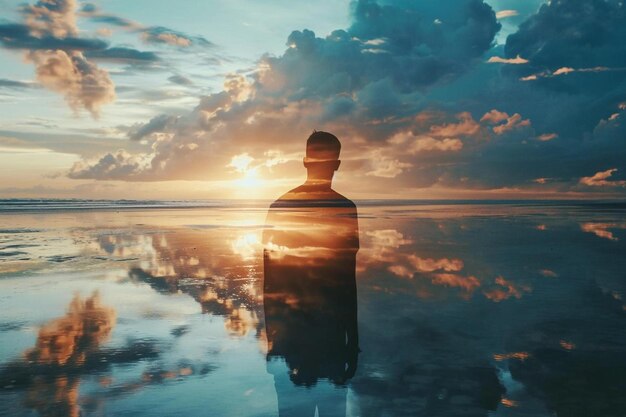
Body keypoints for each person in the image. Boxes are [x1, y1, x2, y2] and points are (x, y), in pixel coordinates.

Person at [263, 131, 360, 417]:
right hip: (330, 341)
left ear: (305, 161)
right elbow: (347, 284)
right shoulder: (345, 208)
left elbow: (270, 284)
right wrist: (352, 345)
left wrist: (274, 344)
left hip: (291, 341)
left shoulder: (280, 206)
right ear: (337, 164)